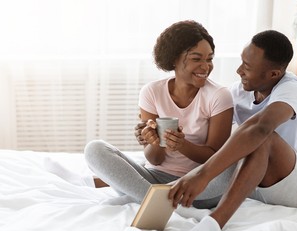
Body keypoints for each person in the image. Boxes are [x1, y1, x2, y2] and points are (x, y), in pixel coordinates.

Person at [168, 30, 297, 231]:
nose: (239, 71)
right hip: (261, 181)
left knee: (263, 138)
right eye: (241, 62)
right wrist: (158, 132)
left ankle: (215, 222)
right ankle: (166, 197)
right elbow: (205, 130)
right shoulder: (239, 92)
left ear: (273, 74)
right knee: (236, 148)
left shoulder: (293, 89)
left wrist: (203, 174)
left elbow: (261, 128)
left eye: (247, 67)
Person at [80, 20, 235, 207]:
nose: (205, 67)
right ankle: (157, 200)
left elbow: (215, 157)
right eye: (196, 59)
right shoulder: (152, 92)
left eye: (209, 59)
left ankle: (148, 199)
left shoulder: (219, 96)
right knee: (95, 149)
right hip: (154, 178)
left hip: (199, 185)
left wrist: (181, 144)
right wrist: (155, 141)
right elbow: (154, 159)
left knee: (236, 160)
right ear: (174, 59)